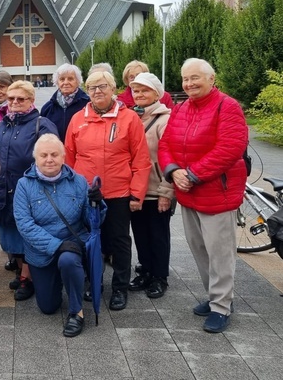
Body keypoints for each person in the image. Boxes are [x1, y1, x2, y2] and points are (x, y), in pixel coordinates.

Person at [158, 58, 248, 333]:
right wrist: (173, 172)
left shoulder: (227, 106)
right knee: (199, 249)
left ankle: (222, 306)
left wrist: (193, 174)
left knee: (220, 253)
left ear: (211, 78)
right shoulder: (182, 108)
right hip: (189, 194)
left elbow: (231, 147)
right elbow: (166, 144)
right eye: (185, 79)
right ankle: (214, 297)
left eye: (195, 78)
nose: (189, 83)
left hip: (216, 193)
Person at [64, 70, 151, 311]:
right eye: (92, 87)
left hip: (118, 194)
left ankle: (120, 288)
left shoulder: (129, 119)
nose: (97, 91)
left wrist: (137, 193)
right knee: (92, 242)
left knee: (120, 241)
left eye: (102, 86)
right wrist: (70, 191)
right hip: (86, 194)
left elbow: (141, 160)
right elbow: (69, 158)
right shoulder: (77, 119)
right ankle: (94, 283)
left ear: (113, 89)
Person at [14, 134, 93, 337]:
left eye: (54, 154)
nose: (49, 159)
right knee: (48, 307)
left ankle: (77, 311)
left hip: (72, 245)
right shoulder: (24, 185)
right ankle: (58, 281)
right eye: (44, 155)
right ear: (36, 159)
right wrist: (56, 245)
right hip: (41, 251)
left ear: (63, 157)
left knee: (68, 260)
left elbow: (92, 222)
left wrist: (97, 205)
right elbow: (24, 225)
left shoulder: (79, 182)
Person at [0, 80, 58, 301]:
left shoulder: (42, 124)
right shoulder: (0, 125)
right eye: (11, 98)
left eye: (21, 98)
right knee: (10, 236)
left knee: (28, 235)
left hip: (31, 193)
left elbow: (51, 159)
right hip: (3, 191)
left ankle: (28, 278)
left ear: (31, 100)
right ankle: (22, 272)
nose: (15, 102)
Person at [127, 72, 174, 299]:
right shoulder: (131, 117)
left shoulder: (165, 120)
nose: (139, 94)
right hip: (137, 191)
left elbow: (171, 158)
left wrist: (167, 192)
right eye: (136, 90)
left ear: (156, 93)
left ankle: (159, 276)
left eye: (144, 90)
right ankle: (145, 270)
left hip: (156, 190)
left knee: (158, 235)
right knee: (141, 234)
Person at [41, 64, 90, 139]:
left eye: (70, 79)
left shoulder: (88, 104)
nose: (66, 82)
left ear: (77, 81)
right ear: (57, 82)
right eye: (62, 79)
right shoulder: (47, 108)